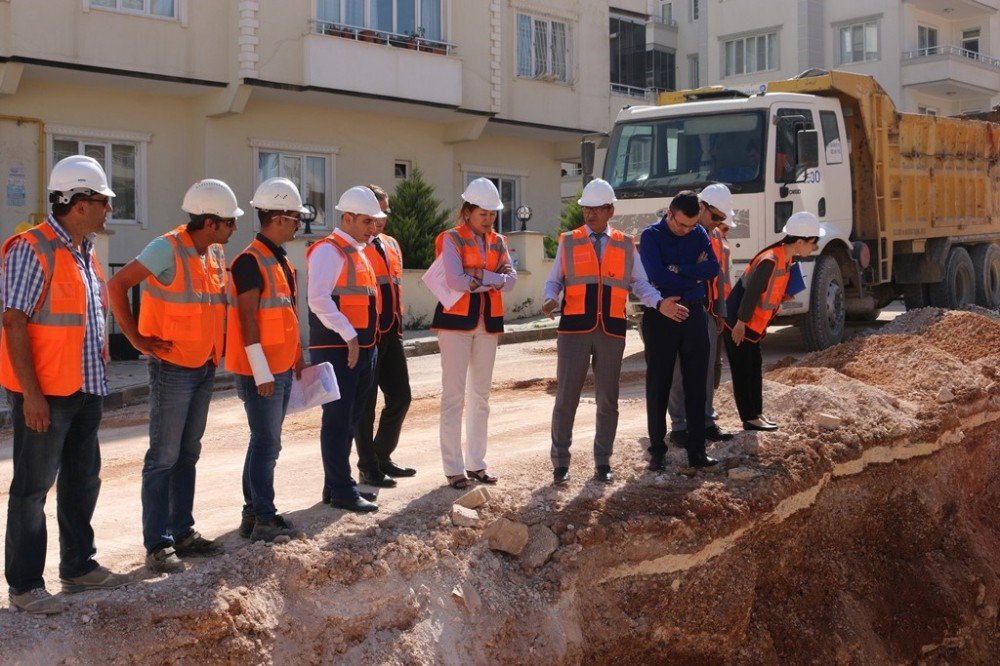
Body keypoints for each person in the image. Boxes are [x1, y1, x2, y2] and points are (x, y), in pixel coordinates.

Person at [1, 156, 129, 615]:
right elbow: (14, 322)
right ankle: (25, 585)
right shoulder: (30, 248)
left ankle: (78, 567)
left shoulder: (85, 251)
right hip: (47, 395)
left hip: (84, 389)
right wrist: (31, 395)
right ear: (77, 203)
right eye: (102, 201)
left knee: (82, 482)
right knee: (32, 490)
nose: (108, 209)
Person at [108, 179, 238, 573]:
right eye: (229, 222)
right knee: (163, 457)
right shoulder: (166, 247)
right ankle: (158, 543)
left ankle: (182, 532)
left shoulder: (212, 253)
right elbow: (116, 284)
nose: (234, 229)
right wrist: (137, 340)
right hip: (173, 368)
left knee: (188, 453)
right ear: (211, 222)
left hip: (203, 364)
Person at [542, 179, 665, 486]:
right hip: (573, 329)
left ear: (610, 210)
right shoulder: (569, 241)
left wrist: (658, 303)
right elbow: (554, 279)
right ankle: (560, 463)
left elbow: (639, 283)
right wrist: (549, 297)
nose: (590, 214)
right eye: (586, 208)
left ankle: (603, 461)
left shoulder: (625, 243)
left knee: (607, 400)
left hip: (611, 329)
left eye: (596, 208)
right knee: (566, 398)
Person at [226, 177, 307, 542]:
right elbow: (246, 319)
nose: (298, 225)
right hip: (262, 371)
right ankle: (264, 518)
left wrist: (296, 357)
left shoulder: (278, 260)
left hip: (278, 367)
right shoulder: (249, 262)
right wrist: (261, 370)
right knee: (266, 444)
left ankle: (253, 514)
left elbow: (285, 315)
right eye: (295, 218)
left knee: (263, 443)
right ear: (278, 218)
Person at [432, 178, 516, 489]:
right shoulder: (450, 239)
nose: (489, 219)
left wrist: (480, 276)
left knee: (481, 397)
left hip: (488, 322)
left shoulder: (498, 241)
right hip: (455, 323)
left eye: (493, 214)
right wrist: (494, 279)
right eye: (484, 214)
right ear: (467, 211)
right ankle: (453, 469)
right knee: (453, 397)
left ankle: (476, 464)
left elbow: (512, 280)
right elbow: (454, 280)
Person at [307, 186, 384, 513]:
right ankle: (342, 489)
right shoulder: (329, 250)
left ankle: (334, 484)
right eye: (366, 220)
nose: (372, 227)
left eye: (374, 221)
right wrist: (350, 335)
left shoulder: (358, 250)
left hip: (361, 347)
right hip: (339, 347)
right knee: (338, 419)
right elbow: (318, 299)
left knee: (350, 417)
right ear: (347, 217)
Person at [639, 190, 720, 470]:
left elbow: (712, 268)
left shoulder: (698, 232)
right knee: (658, 384)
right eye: (681, 224)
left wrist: (676, 269)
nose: (687, 230)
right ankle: (657, 451)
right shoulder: (650, 236)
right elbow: (656, 275)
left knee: (697, 383)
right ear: (669, 213)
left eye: (691, 225)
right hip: (661, 315)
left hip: (694, 312)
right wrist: (690, 273)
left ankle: (697, 451)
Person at [725, 211, 824, 431]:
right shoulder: (770, 259)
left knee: (753, 367)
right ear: (799, 241)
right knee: (743, 371)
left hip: (752, 325)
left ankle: (757, 414)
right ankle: (749, 418)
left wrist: (782, 296)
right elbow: (750, 294)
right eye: (813, 244)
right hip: (739, 323)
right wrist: (740, 323)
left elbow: (767, 291)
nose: (814, 248)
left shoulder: (785, 258)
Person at [354, 184, 415, 488]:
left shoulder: (390, 244)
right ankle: (367, 467)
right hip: (368, 334)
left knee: (401, 397)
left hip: (391, 330)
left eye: (384, 212)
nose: (381, 218)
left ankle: (381, 455)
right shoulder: (356, 245)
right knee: (365, 405)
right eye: (375, 213)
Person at [667, 184, 736, 447]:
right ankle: (679, 426)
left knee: (706, 370)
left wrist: (721, 310)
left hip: (707, 310)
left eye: (721, 219)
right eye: (715, 216)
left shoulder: (714, 236)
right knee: (679, 371)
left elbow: (719, 276)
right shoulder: (681, 232)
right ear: (702, 207)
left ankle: (706, 422)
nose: (718, 222)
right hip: (682, 309)